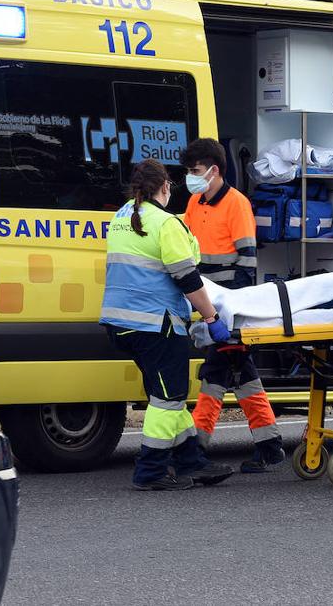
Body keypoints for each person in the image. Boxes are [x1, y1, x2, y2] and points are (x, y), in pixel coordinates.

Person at [100, 158, 235, 491]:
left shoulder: (121, 216)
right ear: (165, 186)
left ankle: (192, 462)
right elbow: (186, 277)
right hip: (155, 325)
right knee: (167, 397)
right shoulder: (165, 223)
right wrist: (211, 317)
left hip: (121, 324)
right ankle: (151, 471)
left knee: (168, 395)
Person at [180, 138, 285, 473]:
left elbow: (246, 262)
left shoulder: (237, 204)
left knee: (215, 372)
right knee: (241, 374)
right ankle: (269, 445)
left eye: (195, 171)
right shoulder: (195, 203)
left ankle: (198, 444)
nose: (191, 177)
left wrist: (229, 310)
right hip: (206, 299)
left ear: (214, 170)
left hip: (228, 303)